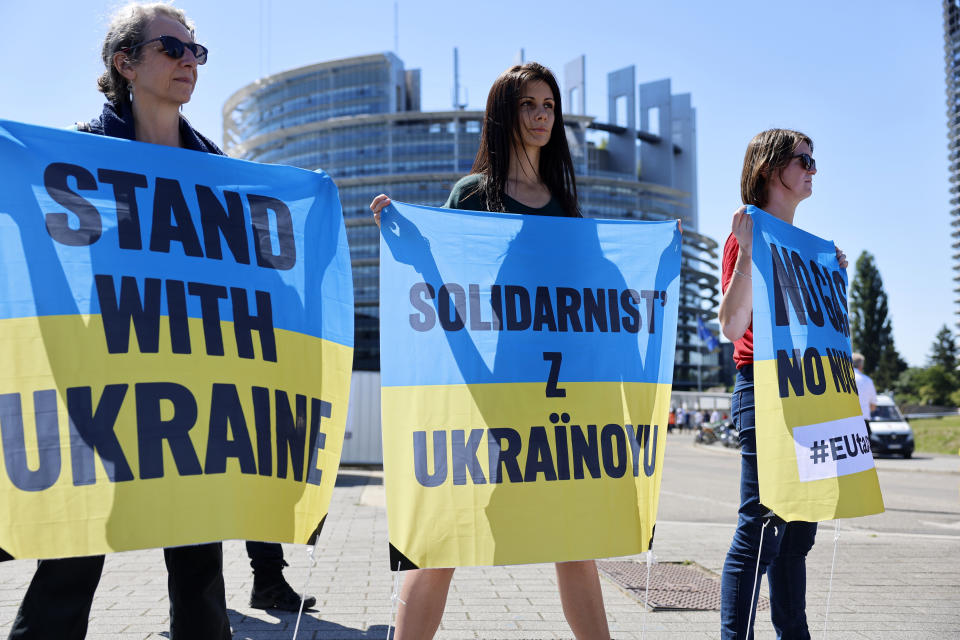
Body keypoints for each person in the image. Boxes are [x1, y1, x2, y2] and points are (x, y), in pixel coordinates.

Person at [7, 5, 307, 639]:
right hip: (105, 387)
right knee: (72, 561)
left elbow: (264, 269)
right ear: (125, 62)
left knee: (200, 573)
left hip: (191, 393)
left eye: (196, 52)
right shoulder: (78, 156)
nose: (188, 62)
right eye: (171, 48)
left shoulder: (217, 170)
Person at [370, 62, 610, 640]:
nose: (540, 116)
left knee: (573, 543)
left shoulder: (565, 204)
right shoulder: (475, 196)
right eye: (528, 104)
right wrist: (414, 252)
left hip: (557, 393)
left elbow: (596, 294)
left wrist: (655, 258)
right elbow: (452, 284)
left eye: (548, 106)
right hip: (490, 388)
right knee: (445, 537)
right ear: (505, 113)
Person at [717, 129, 848, 640]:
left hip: (809, 394)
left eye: (815, 160)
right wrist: (749, 253)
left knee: (798, 533)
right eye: (804, 160)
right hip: (764, 389)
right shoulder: (746, 235)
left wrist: (830, 277)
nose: (814, 169)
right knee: (760, 527)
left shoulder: (809, 249)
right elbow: (731, 326)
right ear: (772, 168)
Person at [852, 352, 877, 437]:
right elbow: (873, 406)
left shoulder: (840, 380)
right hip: (863, 422)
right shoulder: (867, 381)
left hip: (845, 422)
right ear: (861, 366)